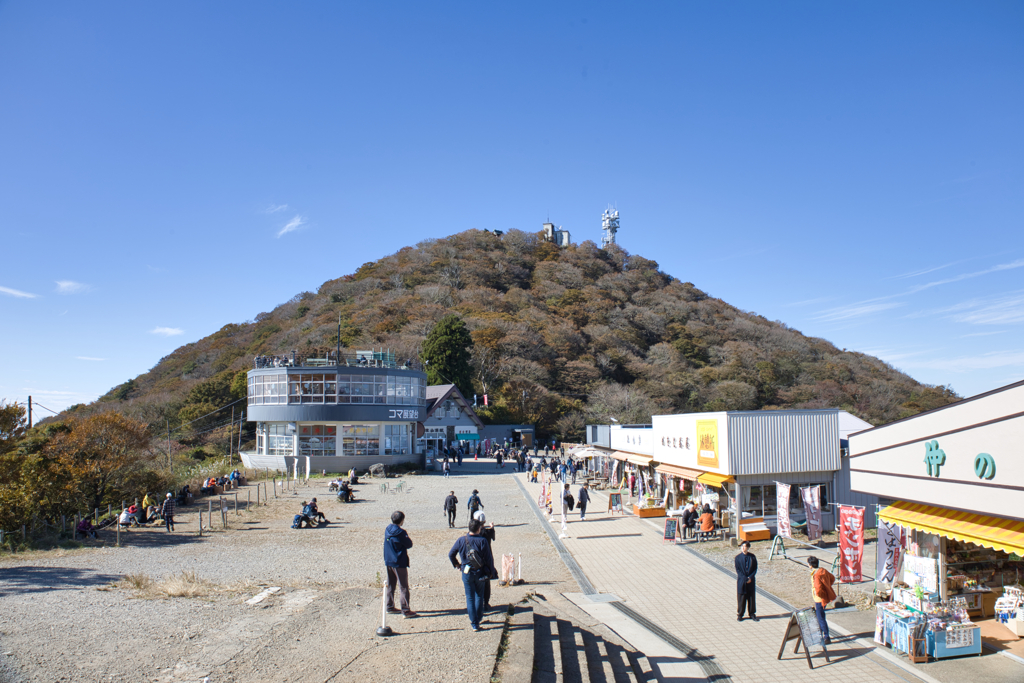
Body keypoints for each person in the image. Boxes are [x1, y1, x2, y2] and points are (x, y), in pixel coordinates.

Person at [448, 518, 498, 631]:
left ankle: (474, 623)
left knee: (469, 597)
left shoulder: (461, 540)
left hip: (466, 571)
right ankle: (479, 617)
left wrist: (457, 565)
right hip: (480, 571)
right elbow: (489, 559)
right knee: (479, 595)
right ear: (479, 529)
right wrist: (491, 572)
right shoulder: (483, 541)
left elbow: (451, 554)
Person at [384, 511, 417, 618]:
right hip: (399, 561)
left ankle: (389, 606)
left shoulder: (387, 529)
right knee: (403, 586)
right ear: (402, 520)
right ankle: (405, 610)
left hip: (389, 560)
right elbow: (409, 544)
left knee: (391, 584)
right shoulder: (401, 532)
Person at [808, 556, 836, 644]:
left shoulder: (816, 575)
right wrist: (827, 586)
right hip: (824, 598)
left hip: (819, 599)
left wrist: (819, 593)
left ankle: (826, 636)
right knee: (820, 616)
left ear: (811, 565)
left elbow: (818, 587)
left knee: (820, 617)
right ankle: (821, 634)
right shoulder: (823, 571)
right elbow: (832, 578)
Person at [474, 511, 496, 609]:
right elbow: (493, 536)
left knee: (476, 583)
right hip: (487, 559)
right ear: (484, 521)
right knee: (487, 583)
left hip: (476, 559)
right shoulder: (488, 532)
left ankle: (477, 603)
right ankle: (486, 603)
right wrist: (492, 527)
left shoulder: (473, 534)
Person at [735, 540, 758, 621]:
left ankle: (752, 613)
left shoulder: (752, 557)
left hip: (750, 581)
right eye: (742, 546)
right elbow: (738, 570)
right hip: (742, 581)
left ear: (748, 548)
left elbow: (755, 569)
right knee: (741, 598)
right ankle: (740, 614)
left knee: (751, 597)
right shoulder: (737, 558)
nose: (743, 548)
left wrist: (750, 578)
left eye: (745, 546)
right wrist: (745, 578)